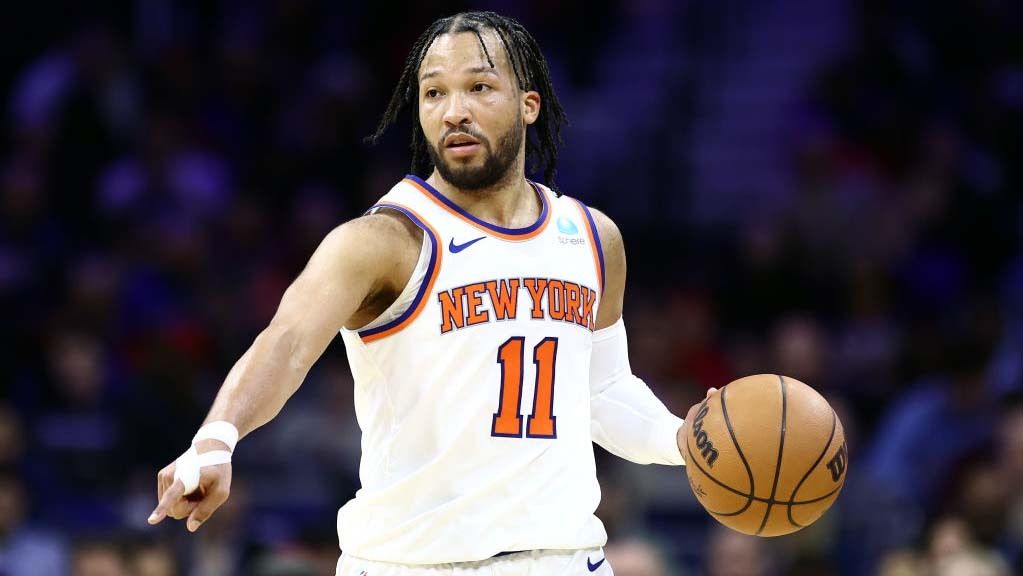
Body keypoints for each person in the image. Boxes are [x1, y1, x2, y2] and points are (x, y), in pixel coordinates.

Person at [148, 11, 707, 575]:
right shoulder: (386, 239)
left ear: (528, 104)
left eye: (479, 87)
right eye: (434, 92)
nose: (454, 110)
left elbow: (603, 390)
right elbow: (287, 341)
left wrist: (684, 440)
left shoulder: (592, 237)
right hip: (414, 564)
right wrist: (217, 439)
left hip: (564, 559)